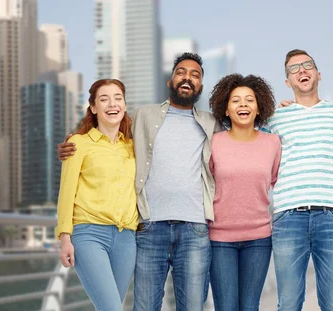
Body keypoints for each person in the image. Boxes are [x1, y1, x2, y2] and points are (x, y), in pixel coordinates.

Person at [57, 53, 219, 311]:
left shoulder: (212, 123)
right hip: (147, 229)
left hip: (186, 230)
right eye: (181, 72)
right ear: (170, 80)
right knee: (136, 306)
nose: (187, 77)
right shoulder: (143, 116)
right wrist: (71, 142)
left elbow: (244, 132)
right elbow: (104, 127)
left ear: (200, 85)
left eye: (195, 75)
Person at [266, 49, 333, 311]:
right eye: (294, 69)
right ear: (287, 82)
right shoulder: (274, 118)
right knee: (289, 302)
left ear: (318, 74)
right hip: (288, 216)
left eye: (307, 66)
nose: (302, 71)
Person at [55, 79, 138, 311]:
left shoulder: (133, 146)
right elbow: (66, 192)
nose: (112, 104)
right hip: (89, 235)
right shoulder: (78, 144)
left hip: (127, 239)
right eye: (104, 99)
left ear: (124, 104)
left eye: (118, 98)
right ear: (93, 107)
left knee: (109, 307)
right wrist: (64, 238)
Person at [207, 74, 281, 311]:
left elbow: (276, 181)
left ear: (259, 108)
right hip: (219, 239)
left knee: (250, 306)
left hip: (259, 239)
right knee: (226, 307)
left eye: (249, 100)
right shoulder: (213, 143)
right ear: (226, 110)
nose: (243, 105)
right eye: (236, 100)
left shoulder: (273, 143)